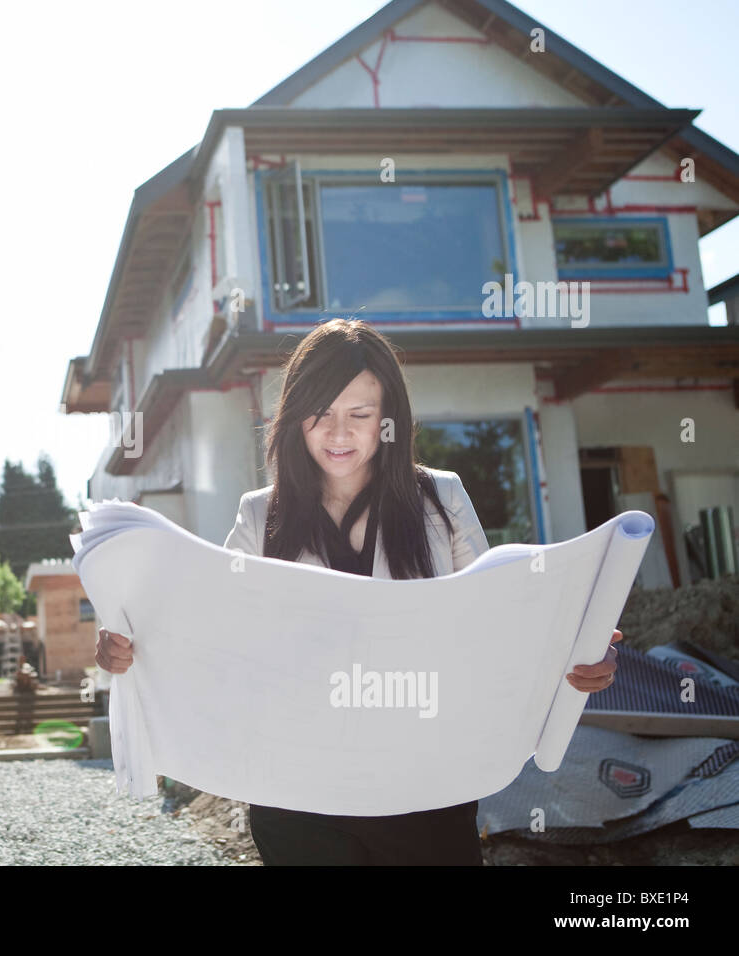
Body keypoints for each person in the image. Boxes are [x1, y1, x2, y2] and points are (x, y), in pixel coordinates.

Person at [94, 318, 623, 866]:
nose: (338, 434)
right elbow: (210, 638)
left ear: (388, 419)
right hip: (297, 794)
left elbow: (495, 625)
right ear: (296, 418)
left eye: (360, 415)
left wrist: (575, 651)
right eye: (321, 415)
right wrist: (129, 647)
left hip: (424, 788)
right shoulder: (260, 516)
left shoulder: (441, 500)